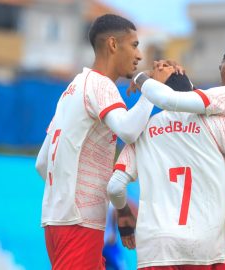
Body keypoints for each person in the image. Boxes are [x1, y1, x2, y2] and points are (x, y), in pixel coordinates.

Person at [106, 73, 225, 269]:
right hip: (204, 243)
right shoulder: (220, 123)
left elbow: (114, 187)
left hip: (157, 244)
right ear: (192, 92)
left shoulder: (141, 132)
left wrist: (123, 211)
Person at [34, 14, 174, 269]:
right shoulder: (101, 84)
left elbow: (42, 163)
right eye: (134, 45)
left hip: (56, 220)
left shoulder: (71, 89)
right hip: (80, 222)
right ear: (112, 44)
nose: (140, 55)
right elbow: (129, 131)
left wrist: (76, 192)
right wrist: (152, 89)